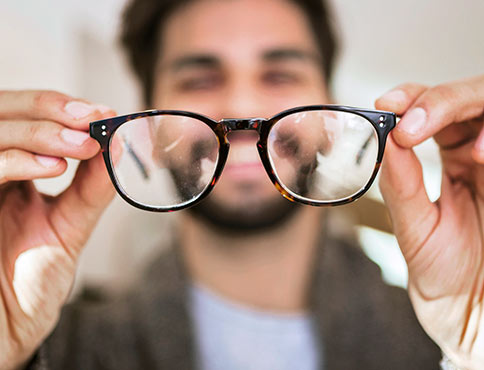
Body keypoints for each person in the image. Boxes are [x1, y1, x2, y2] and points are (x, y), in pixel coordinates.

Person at [0, 0, 483, 369]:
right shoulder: (59, 350)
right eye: (199, 79)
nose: (243, 107)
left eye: (280, 73)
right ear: (150, 119)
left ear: (330, 107)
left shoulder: (441, 344)